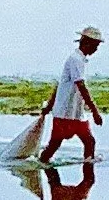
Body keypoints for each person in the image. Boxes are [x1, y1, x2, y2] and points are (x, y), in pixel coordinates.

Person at [39, 25, 105, 163]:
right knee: (54, 146)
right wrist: (95, 111)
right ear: (87, 43)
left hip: (74, 112)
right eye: (95, 45)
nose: (96, 49)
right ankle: (86, 173)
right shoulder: (75, 60)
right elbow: (81, 86)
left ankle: (88, 171)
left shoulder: (78, 60)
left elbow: (60, 85)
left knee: (89, 142)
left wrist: (50, 105)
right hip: (65, 113)